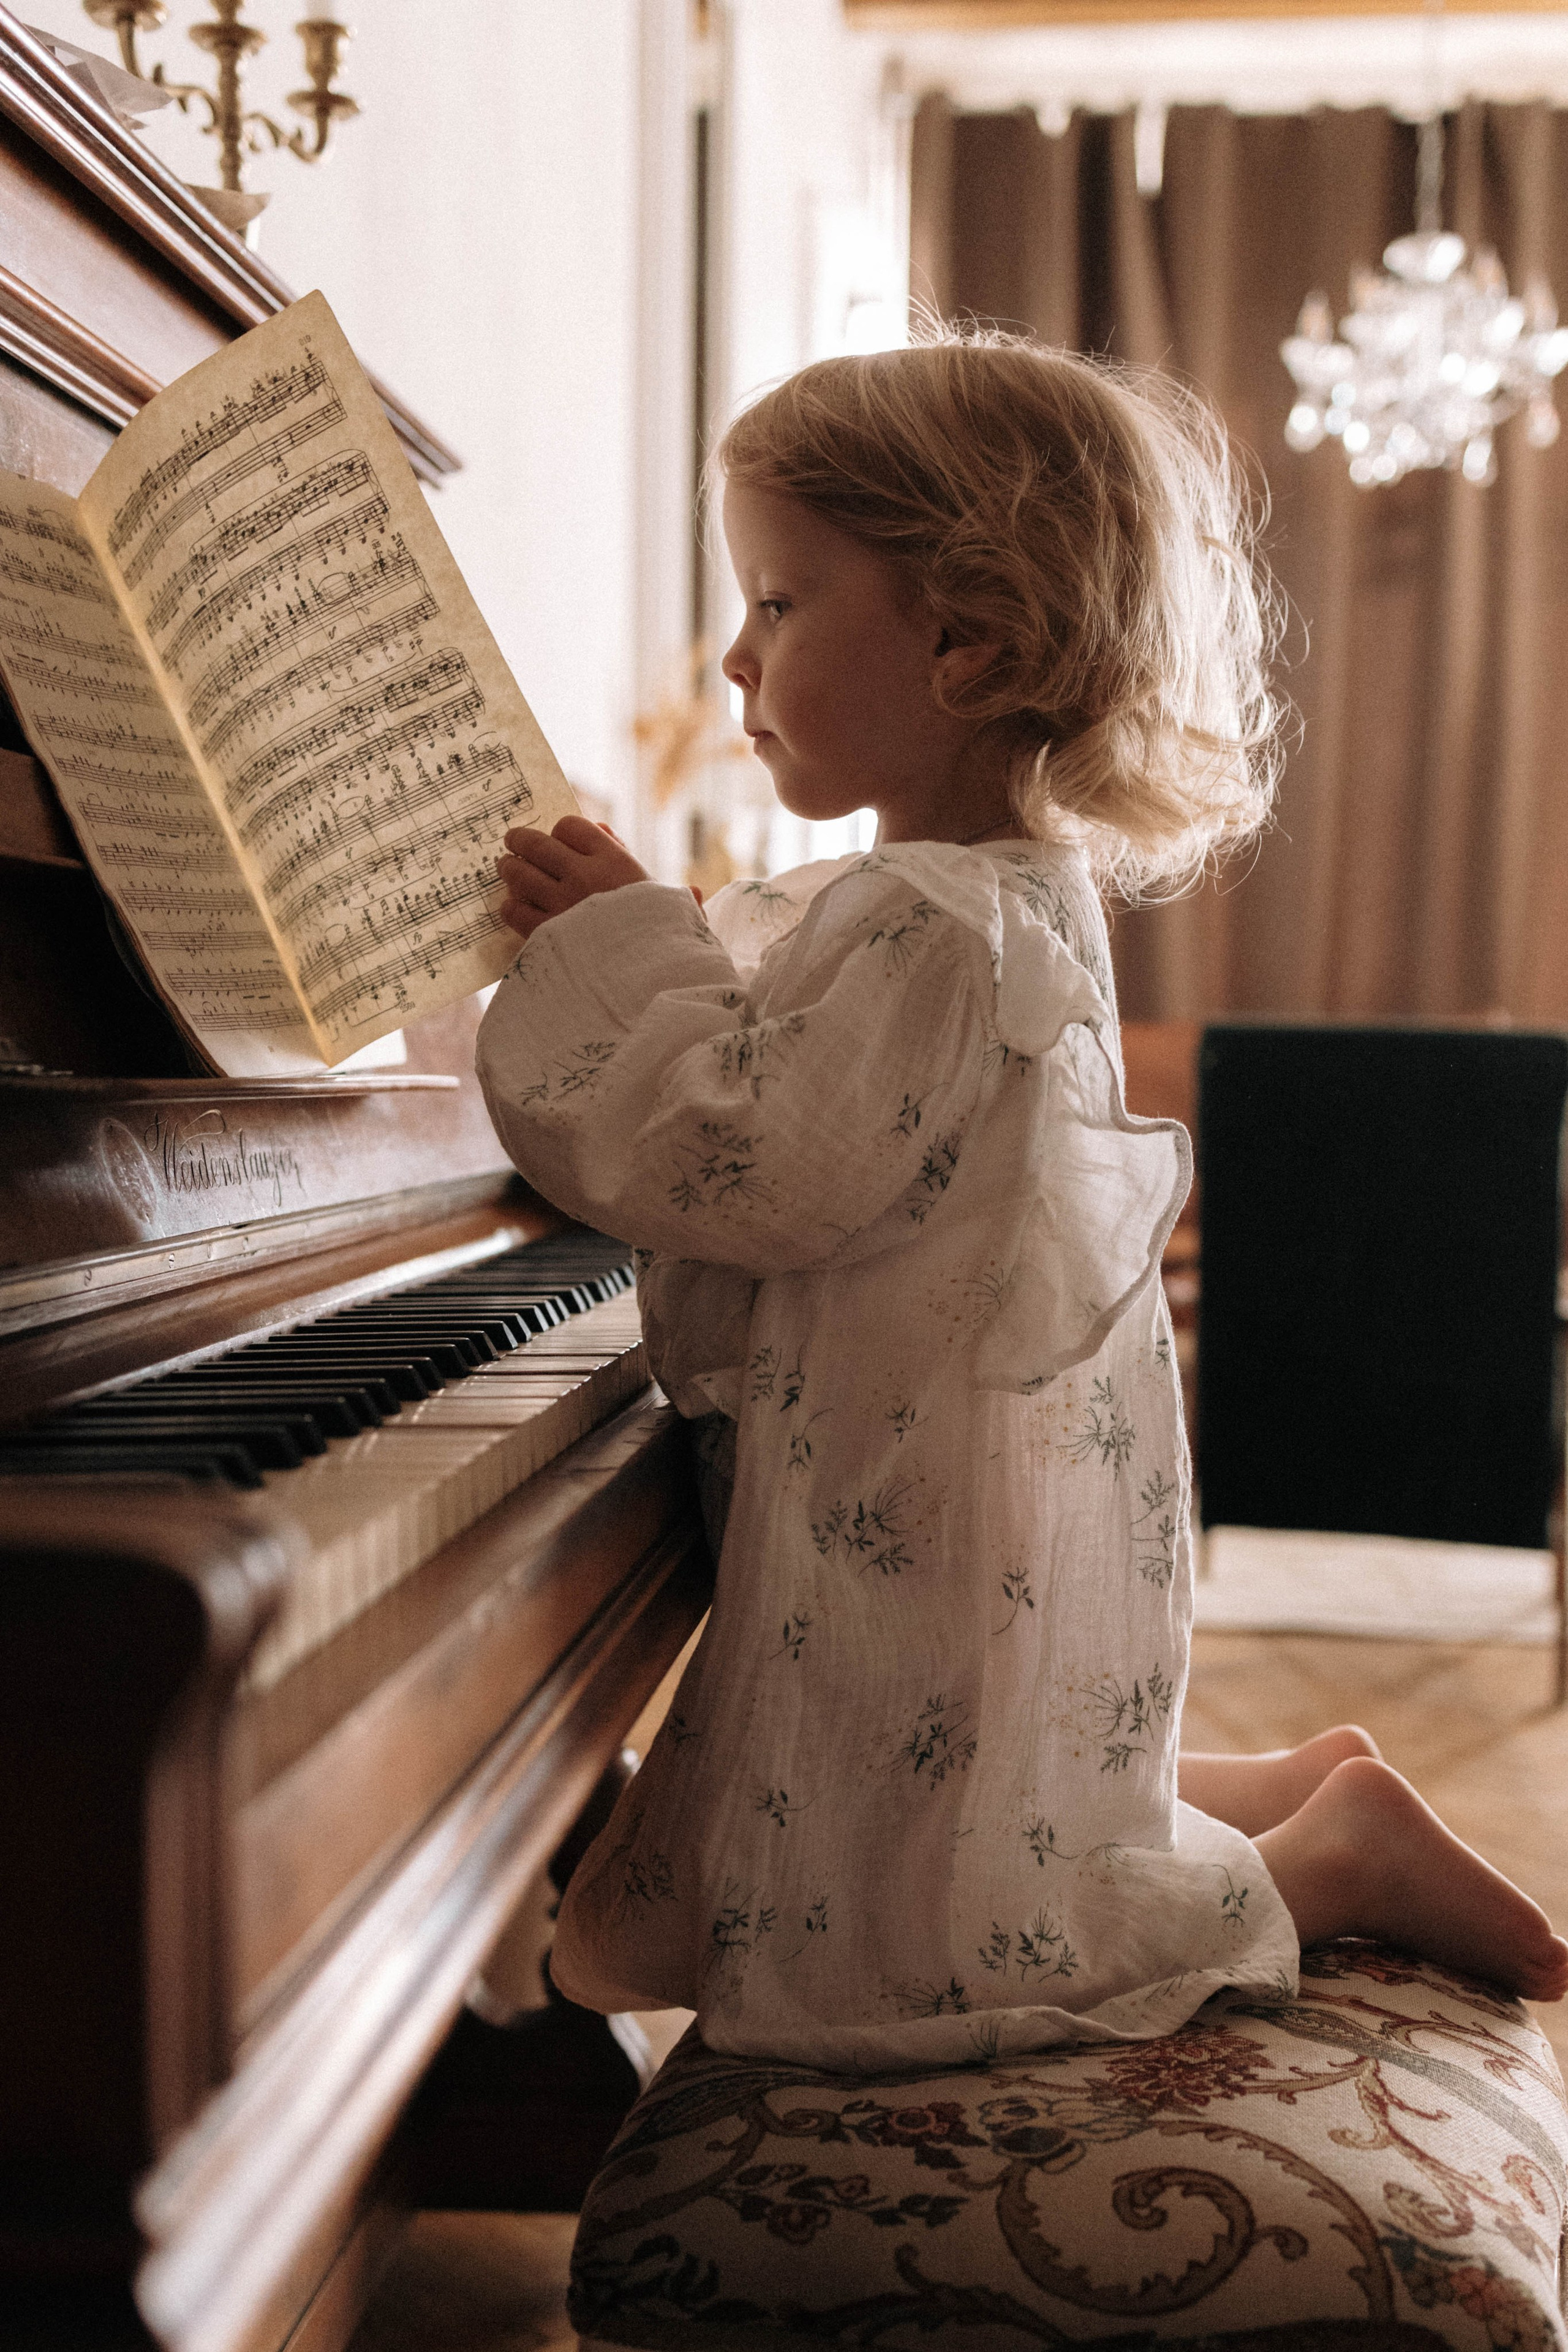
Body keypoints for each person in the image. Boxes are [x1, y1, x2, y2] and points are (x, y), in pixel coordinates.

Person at [475, 331, 1567, 2071]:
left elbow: (745, 1161)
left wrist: (611, 952)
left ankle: (1317, 1855)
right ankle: (1292, 1787)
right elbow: (792, 1074)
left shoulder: (923, 914)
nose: (737, 657)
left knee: (909, 1939)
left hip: (913, 1461)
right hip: (951, 1444)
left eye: (776, 603)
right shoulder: (991, 887)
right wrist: (658, 945)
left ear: (965, 641)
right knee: (956, 1774)